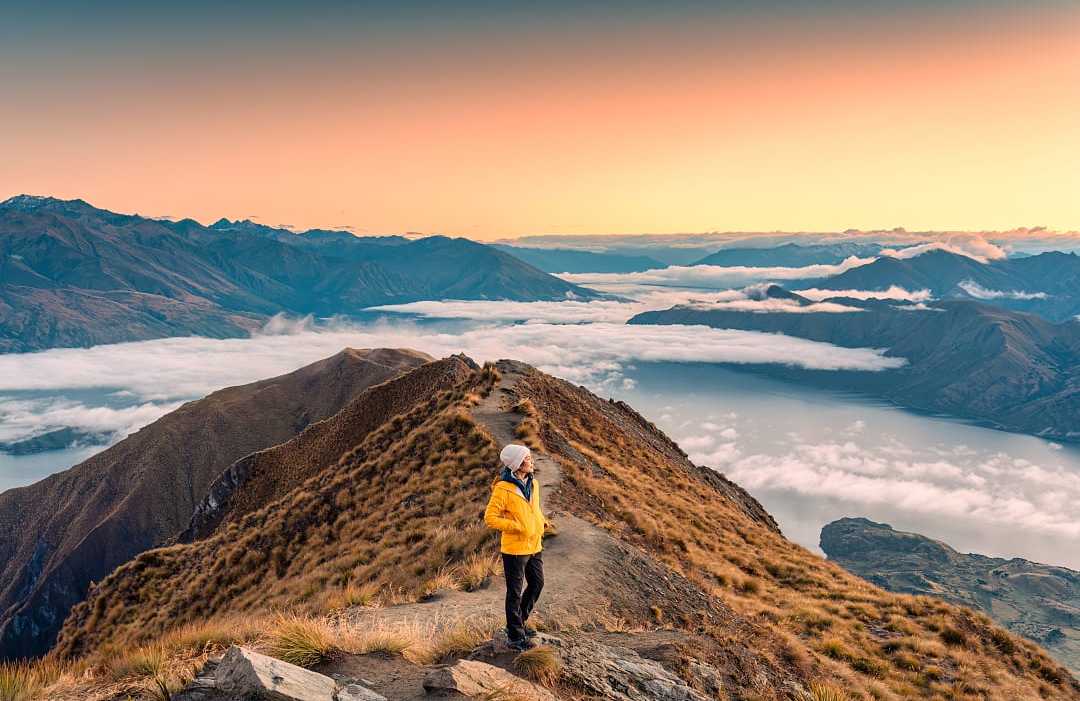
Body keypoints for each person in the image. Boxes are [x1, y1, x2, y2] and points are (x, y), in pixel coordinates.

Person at [484, 443, 548, 651]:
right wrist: (516, 526)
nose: (531, 461)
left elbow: (533, 509)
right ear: (517, 464)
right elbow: (490, 518)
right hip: (515, 549)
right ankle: (515, 636)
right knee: (514, 592)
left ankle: (519, 622)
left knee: (537, 583)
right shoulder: (503, 488)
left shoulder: (533, 483)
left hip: (534, 544)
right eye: (528, 458)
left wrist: (541, 521)